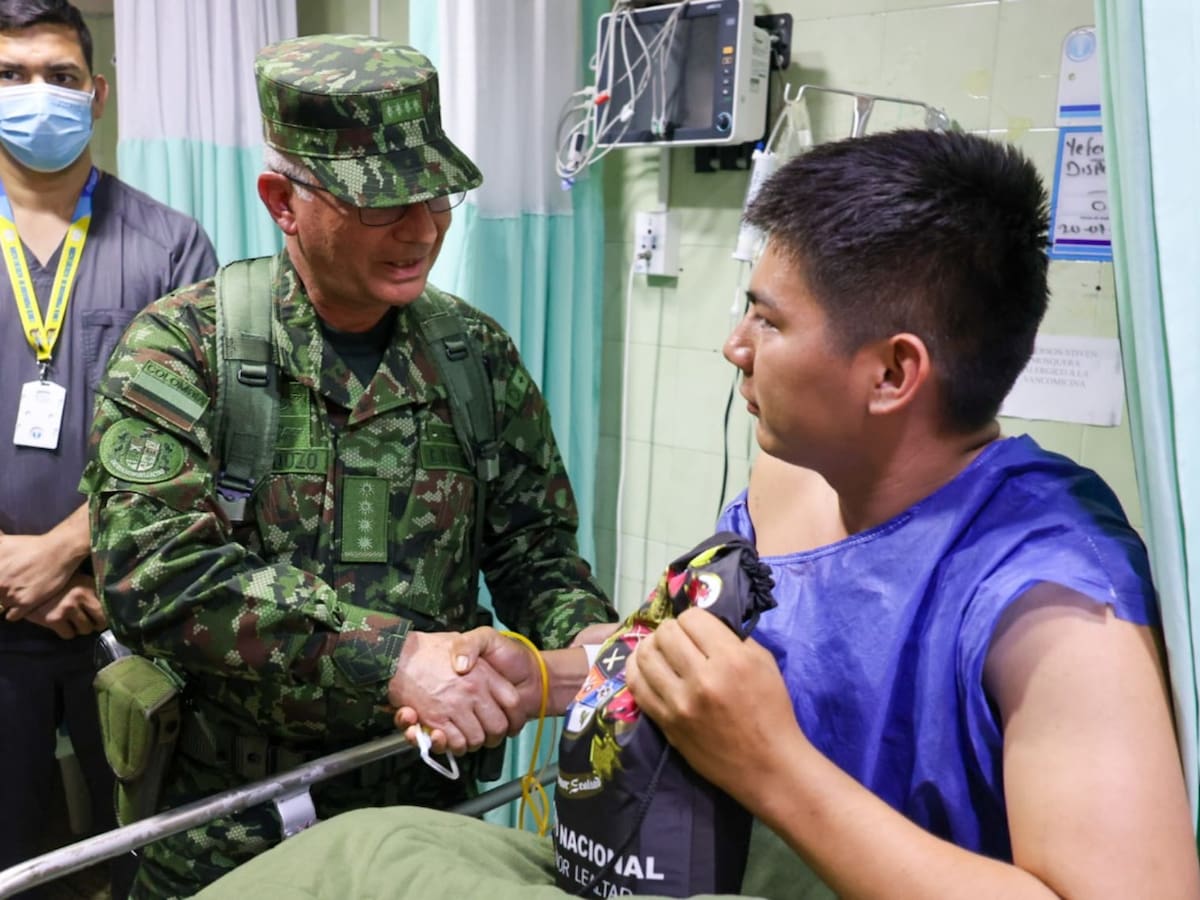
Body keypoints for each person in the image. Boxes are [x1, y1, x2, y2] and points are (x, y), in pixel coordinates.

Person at [197, 128, 1198, 900]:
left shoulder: (1057, 607)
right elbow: (679, 655)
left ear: (894, 372)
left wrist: (774, 767)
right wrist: (546, 676)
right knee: (367, 853)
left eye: (769, 317)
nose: (734, 345)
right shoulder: (797, 483)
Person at [80, 33, 615, 899]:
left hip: (429, 825)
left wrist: (583, 646)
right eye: (379, 205)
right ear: (281, 202)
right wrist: (394, 659)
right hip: (230, 832)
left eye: (435, 196)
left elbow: (534, 551)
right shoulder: (184, 349)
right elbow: (160, 576)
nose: (421, 229)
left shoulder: (473, 356)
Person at [0, 0, 217, 896]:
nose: (36, 94)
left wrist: (65, 555)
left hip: (125, 617)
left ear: (97, 95)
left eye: (58, 76)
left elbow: (205, 438)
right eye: (10, 77)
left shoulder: (170, 247)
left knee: (144, 857)